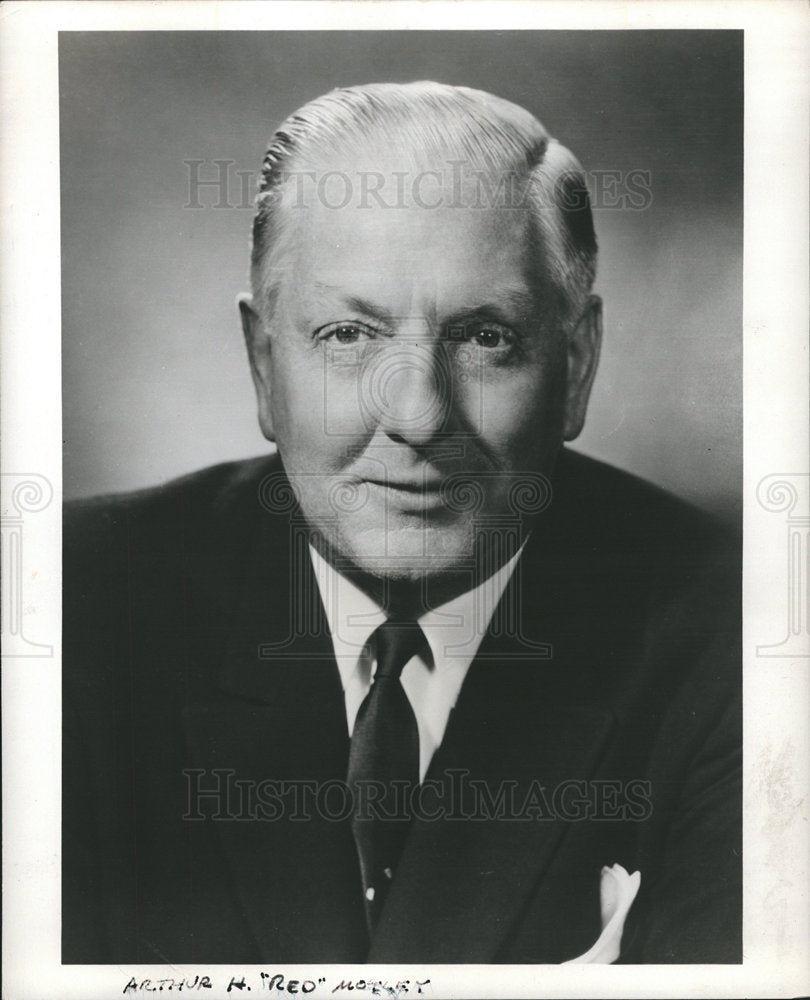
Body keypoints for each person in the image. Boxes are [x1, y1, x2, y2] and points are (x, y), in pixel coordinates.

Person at [62, 81, 741, 965]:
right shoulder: (70, 611)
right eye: (350, 336)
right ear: (264, 365)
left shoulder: (743, 639)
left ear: (575, 368)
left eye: (485, 337)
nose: (418, 414)